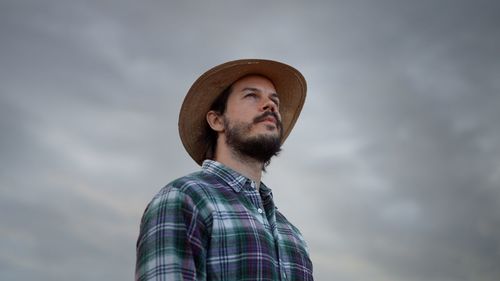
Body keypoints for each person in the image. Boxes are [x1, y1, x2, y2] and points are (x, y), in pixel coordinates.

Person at [135, 59, 313, 281]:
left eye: (274, 100)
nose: (270, 105)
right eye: (252, 95)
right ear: (217, 120)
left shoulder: (292, 235)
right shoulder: (185, 199)